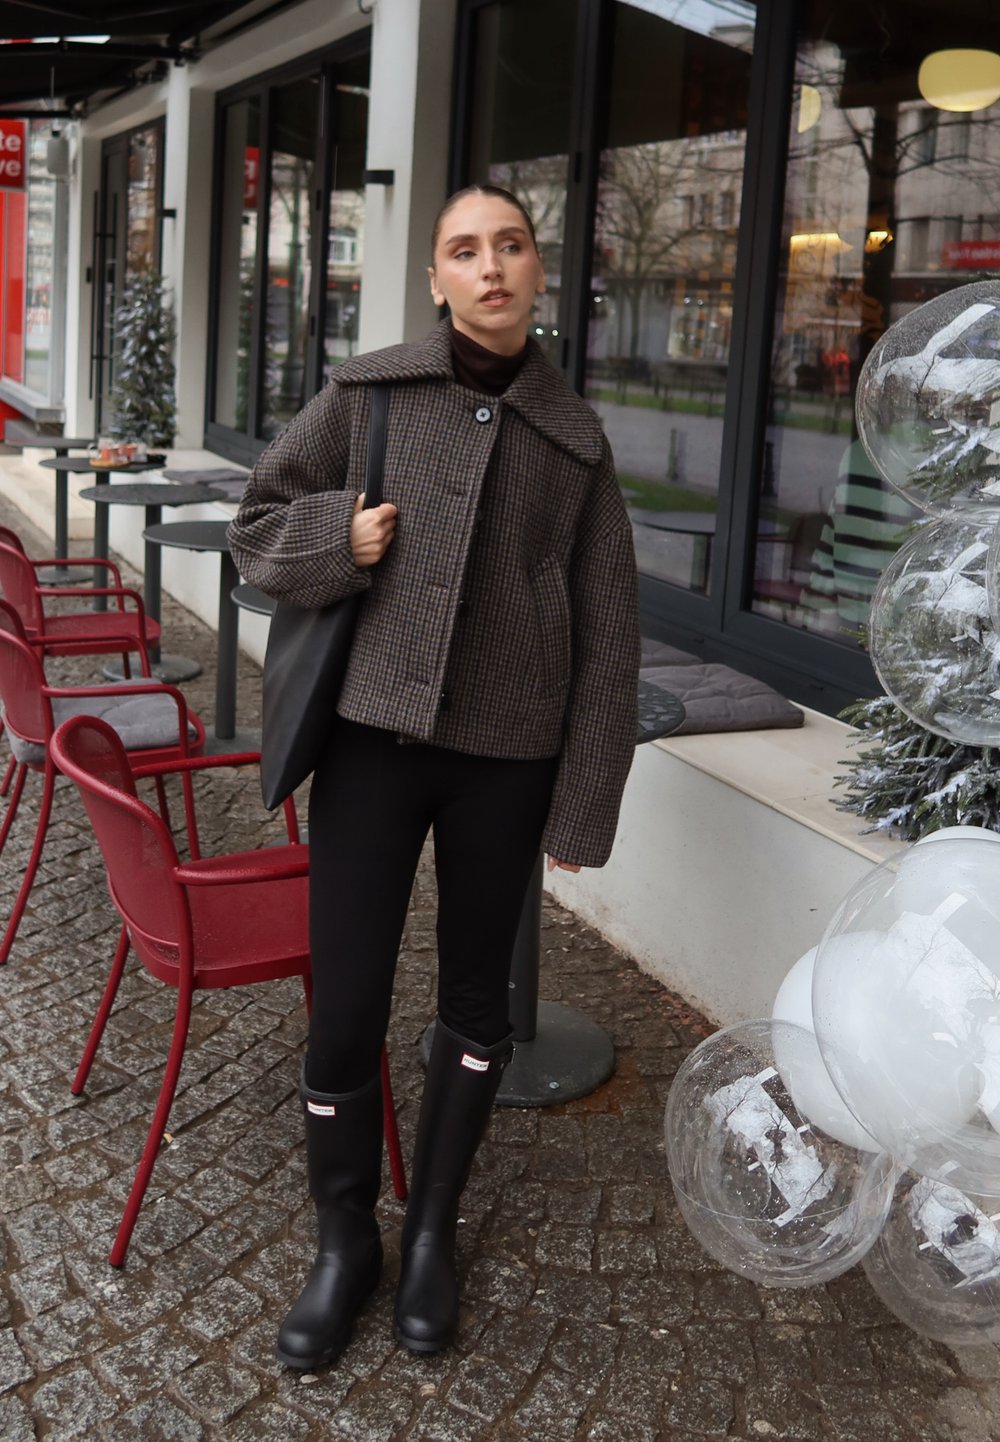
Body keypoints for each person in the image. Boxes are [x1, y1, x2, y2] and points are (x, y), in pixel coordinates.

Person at [227, 184, 640, 1370]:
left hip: (506, 764)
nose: (491, 266)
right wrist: (337, 543)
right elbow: (256, 520)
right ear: (436, 277)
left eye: (510, 245)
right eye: (466, 249)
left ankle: (430, 1237)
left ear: (537, 270)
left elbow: (611, 635)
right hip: (369, 748)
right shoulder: (372, 394)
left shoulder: (577, 441)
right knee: (346, 1004)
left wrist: (583, 800)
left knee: (475, 1008)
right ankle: (343, 1238)